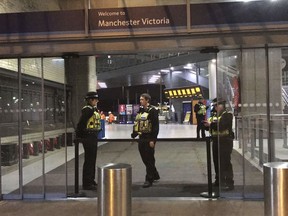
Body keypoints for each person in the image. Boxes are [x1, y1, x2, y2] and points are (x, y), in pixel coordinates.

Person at [204, 99, 234, 191]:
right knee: (216, 162)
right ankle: (219, 180)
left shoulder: (227, 115)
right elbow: (211, 127)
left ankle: (228, 182)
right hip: (216, 141)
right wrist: (207, 125)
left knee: (225, 163)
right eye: (215, 105)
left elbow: (222, 126)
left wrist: (211, 125)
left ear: (222, 105)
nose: (215, 107)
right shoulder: (214, 115)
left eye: (217, 105)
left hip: (225, 141)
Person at [131, 93, 160, 188]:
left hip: (149, 137)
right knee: (144, 158)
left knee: (149, 158)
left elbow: (155, 127)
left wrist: (153, 140)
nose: (140, 101)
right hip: (141, 138)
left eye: (142, 99)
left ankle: (149, 179)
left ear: (147, 100)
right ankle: (154, 174)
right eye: (140, 99)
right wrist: (134, 133)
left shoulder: (153, 111)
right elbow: (137, 123)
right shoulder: (140, 111)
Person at [76, 91, 101, 190]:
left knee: (92, 159)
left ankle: (91, 180)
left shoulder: (92, 109)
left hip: (92, 136)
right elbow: (81, 124)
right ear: (91, 100)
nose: (96, 101)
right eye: (95, 100)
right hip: (88, 136)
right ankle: (87, 183)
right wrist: (80, 136)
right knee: (89, 160)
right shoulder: (88, 110)